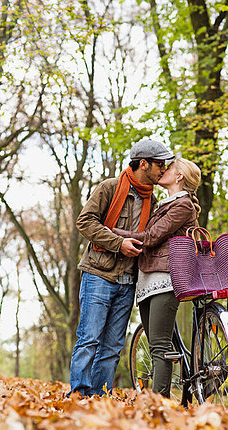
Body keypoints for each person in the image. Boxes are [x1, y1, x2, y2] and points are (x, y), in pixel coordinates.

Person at [69, 139, 175, 396]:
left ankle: (100, 396)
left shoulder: (155, 200)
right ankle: (79, 395)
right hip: (99, 275)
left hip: (129, 281)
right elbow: (84, 222)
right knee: (89, 339)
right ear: (143, 164)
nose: (163, 169)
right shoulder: (110, 188)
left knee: (113, 346)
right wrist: (118, 244)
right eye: (159, 164)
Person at [112, 158, 201, 397]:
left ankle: (157, 405)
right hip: (148, 279)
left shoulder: (183, 205)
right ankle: (162, 400)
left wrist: (113, 232)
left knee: (160, 347)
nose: (163, 170)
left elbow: (151, 237)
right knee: (157, 345)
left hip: (165, 278)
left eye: (169, 168)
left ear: (179, 176)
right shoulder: (165, 204)